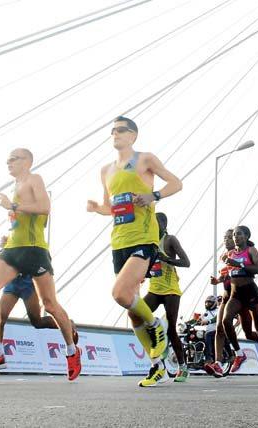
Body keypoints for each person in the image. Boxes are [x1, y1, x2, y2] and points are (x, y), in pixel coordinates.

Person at [0, 148, 81, 382]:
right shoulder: (14, 186)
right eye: (7, 159)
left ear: (27, 162)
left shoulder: (34, 179)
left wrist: (14, 206)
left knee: (49, 305)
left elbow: (44, 207)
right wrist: (8, 236)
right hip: (13, 250)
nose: (8, 162)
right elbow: (18, 222)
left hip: (34, 250)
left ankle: (72, 350)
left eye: (14, 159)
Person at [87, 116, 182, 387]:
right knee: (131, 310)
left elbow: (176, 183)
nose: (115, 134)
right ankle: (157, 367)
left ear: (133, 135)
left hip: (144, 236)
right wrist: (98, 209)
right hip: (119, 240)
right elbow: (111, 207)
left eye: (120, 130)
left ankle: (156, 327)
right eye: (112, 131)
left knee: (120, 294)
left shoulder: (145, 159)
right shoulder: (105, 170)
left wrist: (154, 196)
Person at [139, 212, 191, 384]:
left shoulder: (170, 240)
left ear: (163, 224)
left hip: (171, 291)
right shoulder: (149, 242)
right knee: (138, 315)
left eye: (156, 222)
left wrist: (167, 259)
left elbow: (186, 262)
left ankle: (182, 368)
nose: (153, 225)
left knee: (171, 330)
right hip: (154, 289)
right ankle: (159, 362)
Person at [221, 225, 258, 382]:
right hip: (236, 295)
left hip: (251, 294)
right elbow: (230, 274)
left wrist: (238, 263)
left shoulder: (251, 251)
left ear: (246, 236)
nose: (236, 237)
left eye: (239, 234)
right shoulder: (229, 253)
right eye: (234, 234)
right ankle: (239, 354)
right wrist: (219, 278)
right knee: (226, 321)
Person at [205, 229, 258, 378]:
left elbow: (251, 270)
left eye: (230, 237)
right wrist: (217, 281)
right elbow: (225, 275)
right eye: (225, 238)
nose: (227, 240)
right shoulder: (225, 256)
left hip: (240, 295)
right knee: (219, 327)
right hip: (227, 296)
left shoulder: (243, 253)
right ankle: (218, 364)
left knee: (249, 333)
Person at [199, 295, 219, 365]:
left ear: (214, 303)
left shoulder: (218, 311)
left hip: (217, 331)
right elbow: (198, 319)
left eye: (209, 303)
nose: (207, 304)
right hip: (208, 331)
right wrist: (186, 323)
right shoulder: (205, 313)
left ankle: (209, 357)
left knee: (208, 335)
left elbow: (217, 318)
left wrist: (208, 321)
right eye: (206, 303)